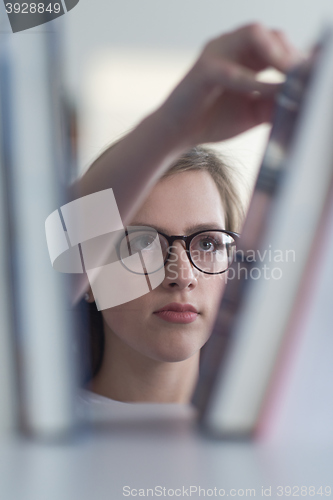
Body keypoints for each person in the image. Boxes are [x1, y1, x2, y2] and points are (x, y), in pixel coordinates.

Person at [71, 23, 301, 404]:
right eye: (142, 243)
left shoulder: (268, 431)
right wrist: (171, 128)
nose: (183, 276)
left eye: (209, 243)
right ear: (89, 278)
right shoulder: (22, 423)